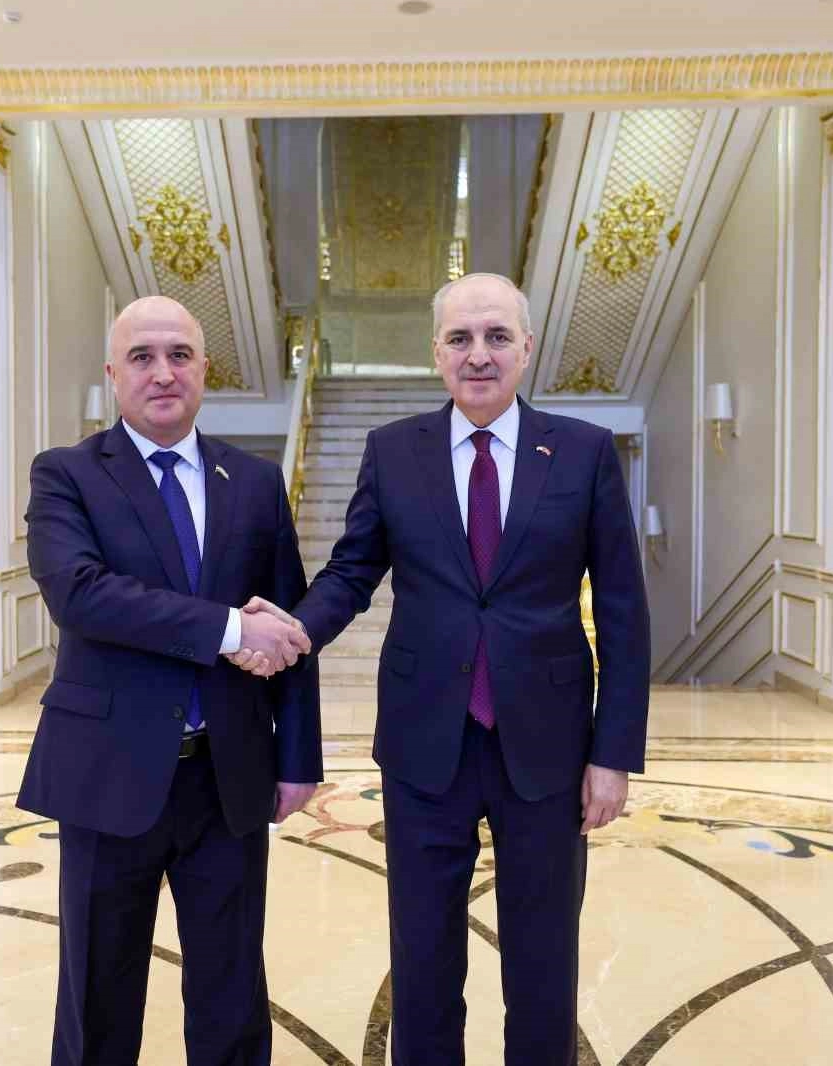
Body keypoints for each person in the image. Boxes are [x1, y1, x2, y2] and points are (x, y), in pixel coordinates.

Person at [239, 272, 651, 1064]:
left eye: (497, 337)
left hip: (550, 748)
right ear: (437, 352)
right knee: (423, 957)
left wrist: (613, 755)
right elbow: (352, 572)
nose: (479, 355)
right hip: (426, 742)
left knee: (544, 959)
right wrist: (293, 630)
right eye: (460, 338)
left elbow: (625, 614)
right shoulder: (394, 452)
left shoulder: (585, 452)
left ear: (527, 348)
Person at [17, 295, 322, 1066]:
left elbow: (288, 626)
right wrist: (229, 631)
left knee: (232, 990)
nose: (163, 373)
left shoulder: (254, 482)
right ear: (113, 373)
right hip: (106, 773)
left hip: (229, 777)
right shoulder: (67, 475)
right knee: (98, 990)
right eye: (143, 357)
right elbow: (80, 594)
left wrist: (298, 759)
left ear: (204, 370)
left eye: (179, 355)